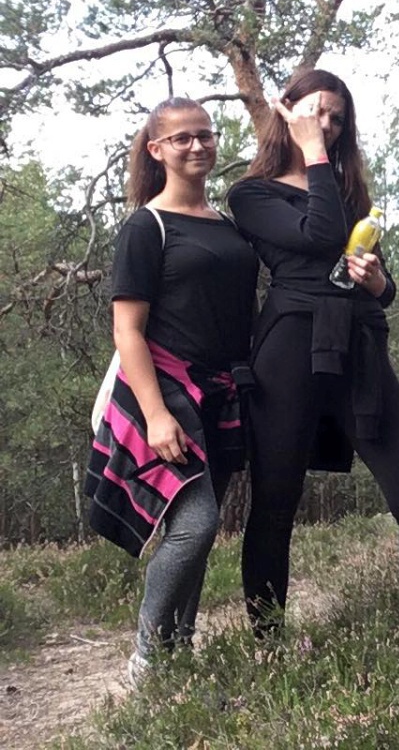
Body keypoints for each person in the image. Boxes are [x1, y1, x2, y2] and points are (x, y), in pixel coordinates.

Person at [227, 69, 399, 631]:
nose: (325, 124)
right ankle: (268, 646)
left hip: (359, 347)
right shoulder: (252, 194)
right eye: (315, 111)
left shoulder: (348, 194)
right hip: (288, 352)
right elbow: (320, 235)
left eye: (337, 118)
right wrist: (315, 155)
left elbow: (382, 284)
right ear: (287, 111)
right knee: (276, 503)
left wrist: (379, 283)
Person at [86, 97, 259, 684]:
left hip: (221, 392)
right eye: (182, 138)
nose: (197, 146)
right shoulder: (147, 226)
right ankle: (146, 659)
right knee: (196, 523)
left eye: (205, 135)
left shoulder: (229, 226)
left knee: (201, 534)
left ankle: (179, 653)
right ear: (156, 150)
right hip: (162, 389)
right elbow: (127, 330)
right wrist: (157, 415)